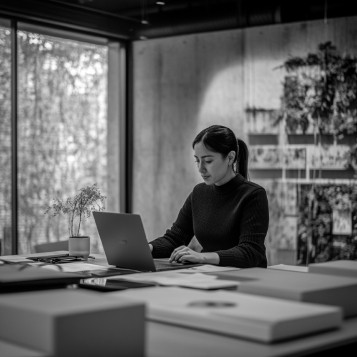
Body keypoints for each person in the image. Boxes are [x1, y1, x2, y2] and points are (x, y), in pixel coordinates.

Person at [148, 125, 269, 268]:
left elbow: (250, 252)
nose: (200, 168)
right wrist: (146, 248)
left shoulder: (253, 195)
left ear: (230, 158)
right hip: (207, 275)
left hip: (247, 279)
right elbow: (175, 238)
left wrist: (202, 257)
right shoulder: (199, 193)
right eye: (197, 160)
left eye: (208, 161)